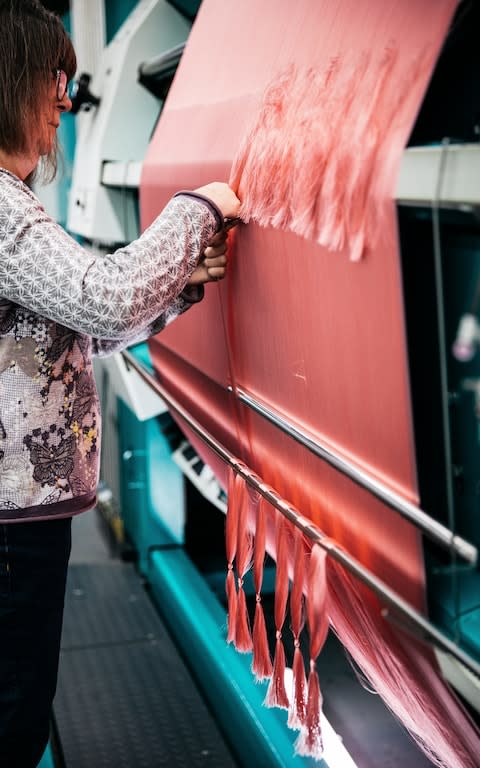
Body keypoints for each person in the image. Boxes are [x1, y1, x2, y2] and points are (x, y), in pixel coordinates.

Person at [0, 1, 241, 766]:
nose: (63, 103)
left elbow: (79, 331)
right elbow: (100, 296)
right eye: (55, 81)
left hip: (21, 515)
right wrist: (200, 209)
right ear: (14, 80)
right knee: (12, 712)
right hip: (9, 527)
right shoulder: (1, 208)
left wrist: (175, 289)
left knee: (19, 701)